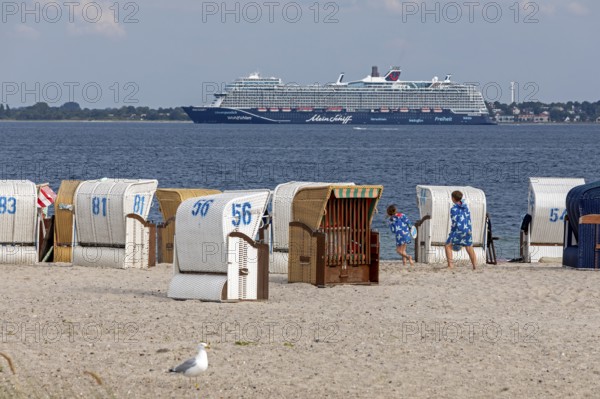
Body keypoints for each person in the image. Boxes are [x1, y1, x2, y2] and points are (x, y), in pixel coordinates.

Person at [445, 190, 477, 270]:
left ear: (453, 198)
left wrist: (452, 232)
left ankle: (450, 265)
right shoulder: (465, 207)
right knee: (469, 246)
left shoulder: (453, 209)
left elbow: (454, 222)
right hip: (468, 229)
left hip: (459, 230)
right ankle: (474, 266)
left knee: (448, 245)